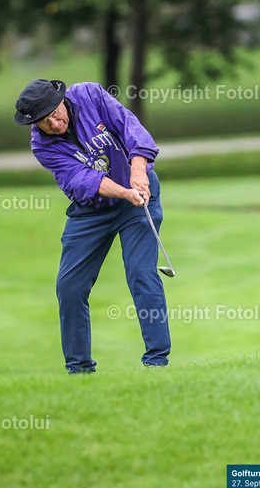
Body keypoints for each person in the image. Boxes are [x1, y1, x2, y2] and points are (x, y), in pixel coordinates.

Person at [14, 79, 171, 372]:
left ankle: (157, 362)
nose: (53, 123)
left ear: (62, 101)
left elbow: (130, 128)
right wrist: (124, 191)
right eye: (43, 121)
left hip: (139, 197)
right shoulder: (42, 145)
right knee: (69, 287)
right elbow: (82, 180)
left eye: (54, 113)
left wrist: (138, 171)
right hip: (91, 210)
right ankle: (79, 370)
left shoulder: (89, 95)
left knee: (141, 273)